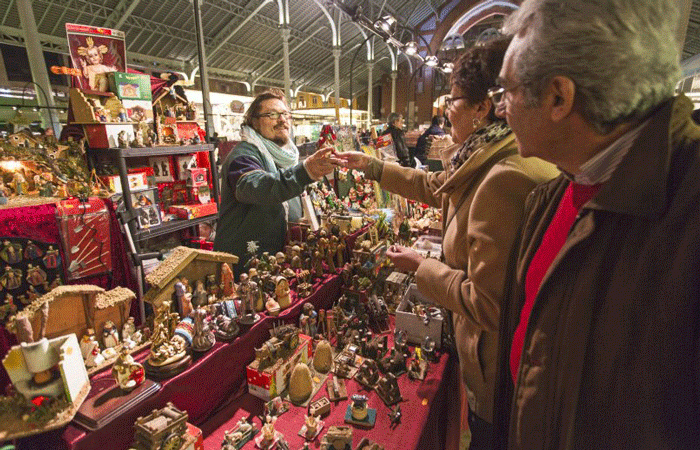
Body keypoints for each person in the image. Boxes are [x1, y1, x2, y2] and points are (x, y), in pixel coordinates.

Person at [491, 2, 700, 449]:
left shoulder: (687, 214)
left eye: (506, 90)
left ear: (558, 98)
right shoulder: (554, 194)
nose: (500, 108)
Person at [340, 37, 558, 449]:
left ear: (483, 107)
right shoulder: (487, 156)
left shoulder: (504, 176)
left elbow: (487, 302)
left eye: (453, 99)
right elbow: (435, 185)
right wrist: (371, 165)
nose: (445, 108)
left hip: (496, 376)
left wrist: (421, 268)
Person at [213, 89, 342, 274]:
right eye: (272, 114)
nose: (282, 120)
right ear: (254, 122)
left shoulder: (283, 156)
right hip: (244, 265)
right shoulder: (243, 155)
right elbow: (256, 187)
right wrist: (306, 171)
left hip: (276, 259)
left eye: (285, 114)